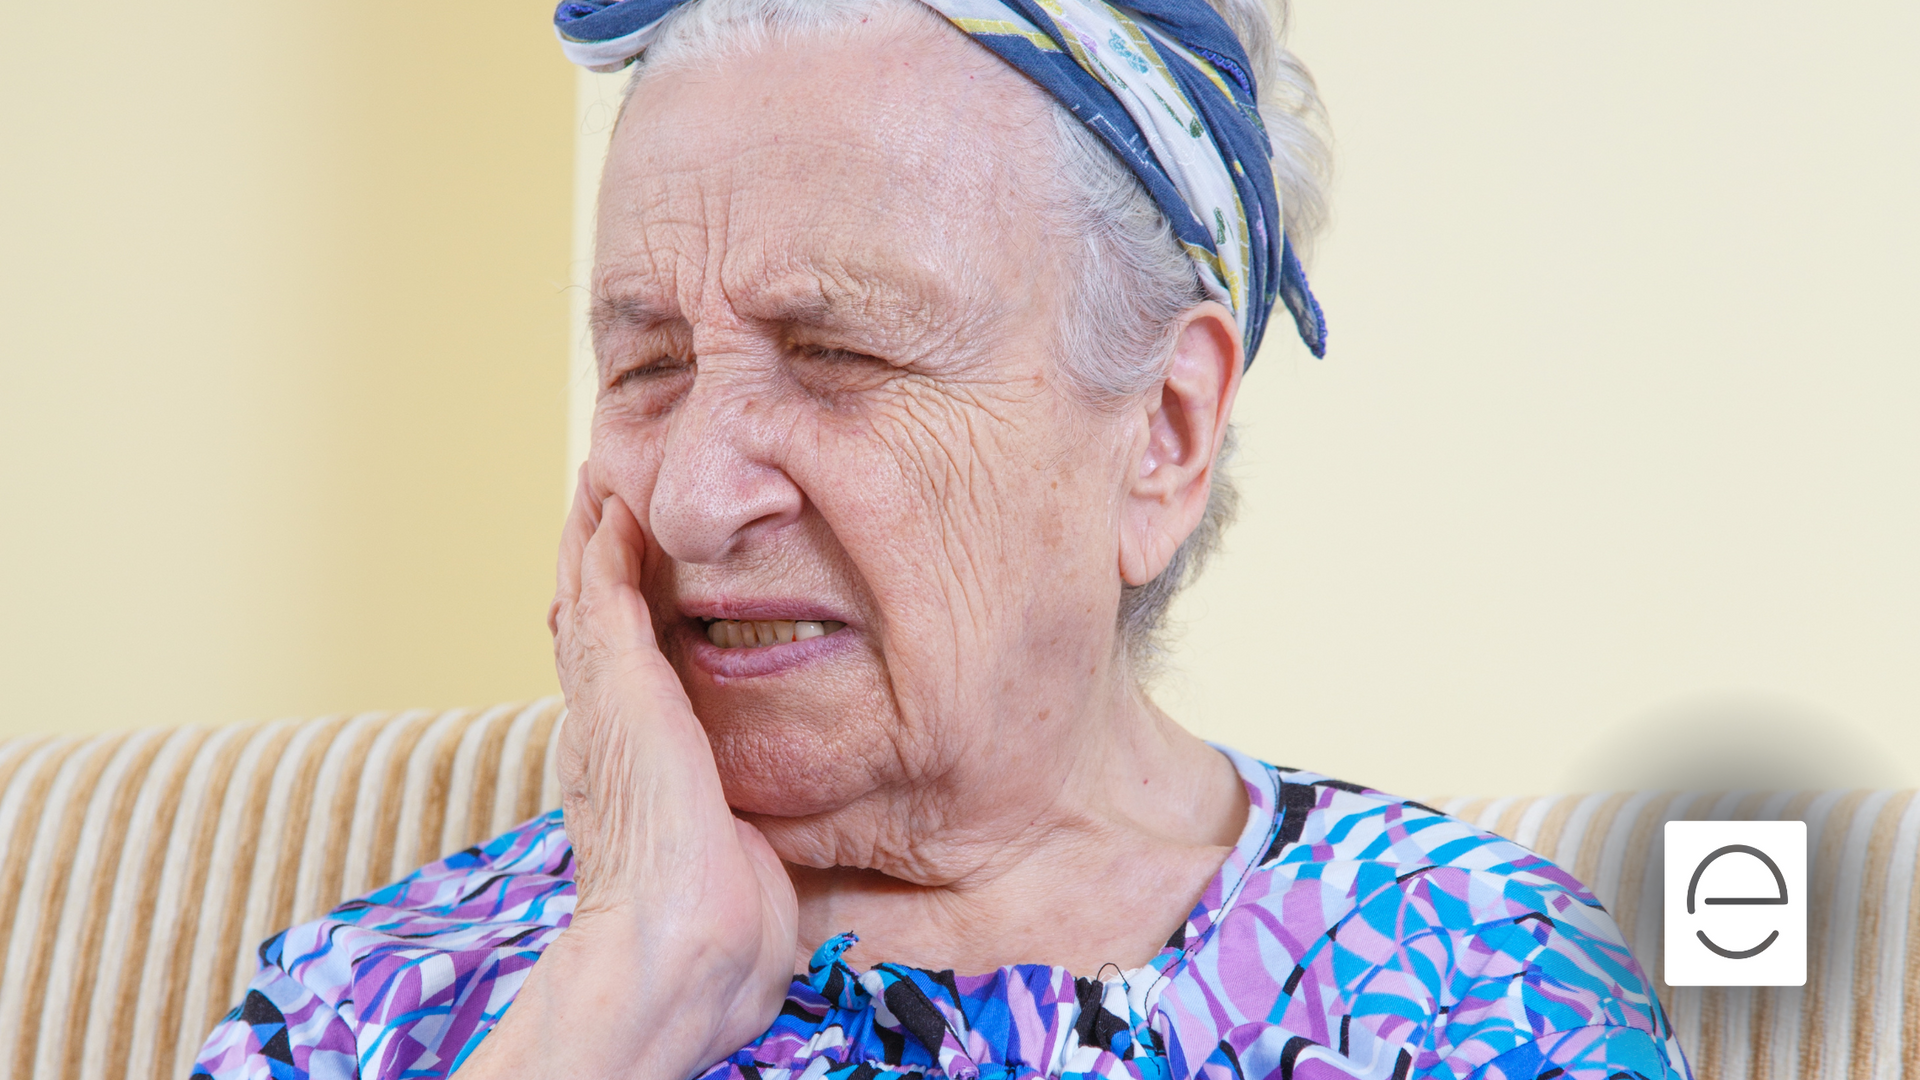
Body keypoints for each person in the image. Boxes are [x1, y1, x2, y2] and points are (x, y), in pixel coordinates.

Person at [192, 1, 1688, 1077]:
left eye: (840, 357)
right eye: (645, 366)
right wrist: (621, 998)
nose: (702, 497)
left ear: (1163, 433)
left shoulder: (1456, 990)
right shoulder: (385, 997)